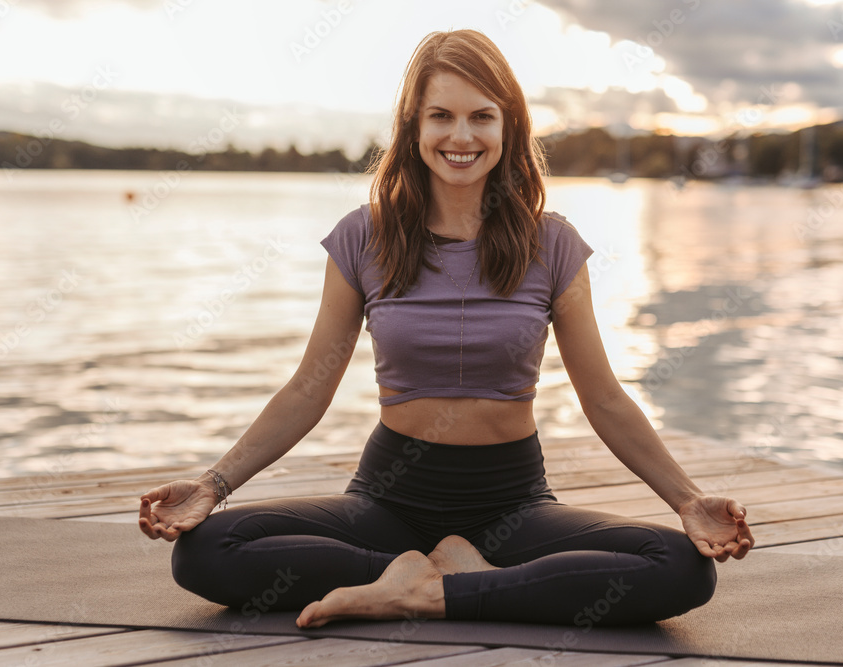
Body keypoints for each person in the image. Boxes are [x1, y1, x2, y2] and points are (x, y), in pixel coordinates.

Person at [138, 28, 753, 629]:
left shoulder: (552, 243)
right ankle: (409, 575)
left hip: (512, 505)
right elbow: (308, 389)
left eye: (482, 117)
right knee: (205, 550)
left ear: (509, 128)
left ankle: (437, 590)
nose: (462, 136)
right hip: (387, 499)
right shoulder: (363, 237)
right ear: (414, 126)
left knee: (679, 567)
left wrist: (687, 500)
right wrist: (212, 485)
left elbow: (605, 398)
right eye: (441, 116)